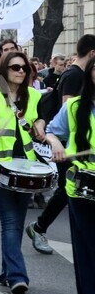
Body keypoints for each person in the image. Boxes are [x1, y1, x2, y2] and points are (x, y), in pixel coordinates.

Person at [0, 51, 45, 294]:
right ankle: (18, 276)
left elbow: (41, 120)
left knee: (16, 221)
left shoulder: (35, 96)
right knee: (9, 221)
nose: (20, 71)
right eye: (15, 67)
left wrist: (40, 125)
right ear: (4, 69)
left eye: (24, 68)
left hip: (27, 168)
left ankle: (7, 273)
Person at [29, 34, 95, 253]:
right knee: (69, 191)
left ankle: (40, 227)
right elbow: (71, 111)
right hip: (69, 146)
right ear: (92, 54)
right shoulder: (75, 75)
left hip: (71, 145)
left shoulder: (70, 73)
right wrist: (59, 144)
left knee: (70, 192)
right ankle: (39, 227)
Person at [43, 56, 95, 294]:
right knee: (88, 250)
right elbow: (52, 132)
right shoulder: (75, 106)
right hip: (83, 187)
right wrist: (56, 145)